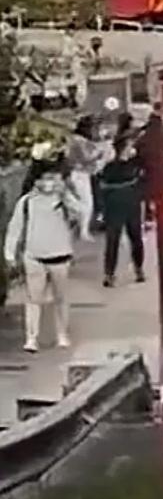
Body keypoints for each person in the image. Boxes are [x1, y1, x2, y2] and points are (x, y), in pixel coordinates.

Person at [4, 147, 85, 352]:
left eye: (53, 178)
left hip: (60, 255)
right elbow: (15, 228)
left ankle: (62, 334)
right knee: (33, 299)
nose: (49, 183)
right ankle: (31, 338)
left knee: (61, 298)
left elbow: (81, 212)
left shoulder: (63, 200)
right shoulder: (26, 203)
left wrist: (66, 195)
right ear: (36, 180)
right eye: (45, 178)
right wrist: (10, 254)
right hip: (34, 256)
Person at [98, 132, 146, 286]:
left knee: (135, 239)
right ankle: (110, 274)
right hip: (118, 206)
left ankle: (138, 269)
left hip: (128, 205)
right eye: (130, 146)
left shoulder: (135, 164)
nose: (132, 148)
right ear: (123, 149)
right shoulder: (112, 168)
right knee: (114, 241)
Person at [65, 115, 101, 242]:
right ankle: (81, 230)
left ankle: (80, 229)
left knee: (85, 203)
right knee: (85, 204)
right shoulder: (79, 140)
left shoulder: (80, 140)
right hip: (79, 174)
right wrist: (98, 153)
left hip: (82, 174)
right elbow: (86, 157)